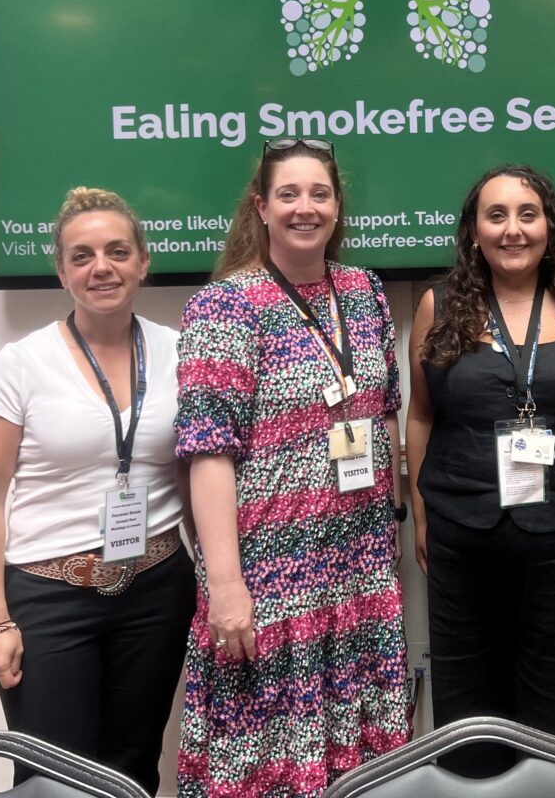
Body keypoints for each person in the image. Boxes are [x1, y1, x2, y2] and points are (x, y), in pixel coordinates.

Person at [174, 139, 408, 798]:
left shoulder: (364, 291)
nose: (305, 207)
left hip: (358, 566)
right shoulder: (226, 307)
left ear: (337, 206)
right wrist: (226, 585)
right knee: (270, 761)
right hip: (271, 575)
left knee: (358, 759)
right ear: (262, 207)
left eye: (320, 193)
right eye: (289, 194)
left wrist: (389, 529)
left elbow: (383, 409)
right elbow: (207, 452)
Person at [404, 165, 555, 772]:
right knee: (466, 709)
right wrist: (424, 520)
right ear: (474, 231)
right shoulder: (440, 306)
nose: (513, 230)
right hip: (461, 537)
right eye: (496, 215)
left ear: (550, 226)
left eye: (527, 214)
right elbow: (421, 417)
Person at [0, 187, 194, 796]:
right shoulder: (19, 365)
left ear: (143, 261)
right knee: (51, 782)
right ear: (62, 271)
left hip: (157, 591)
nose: (102, 268)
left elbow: (198, 474)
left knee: (134, 768)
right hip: (50, 599)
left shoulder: (180, 352)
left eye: (118, 251)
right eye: (83, 255)